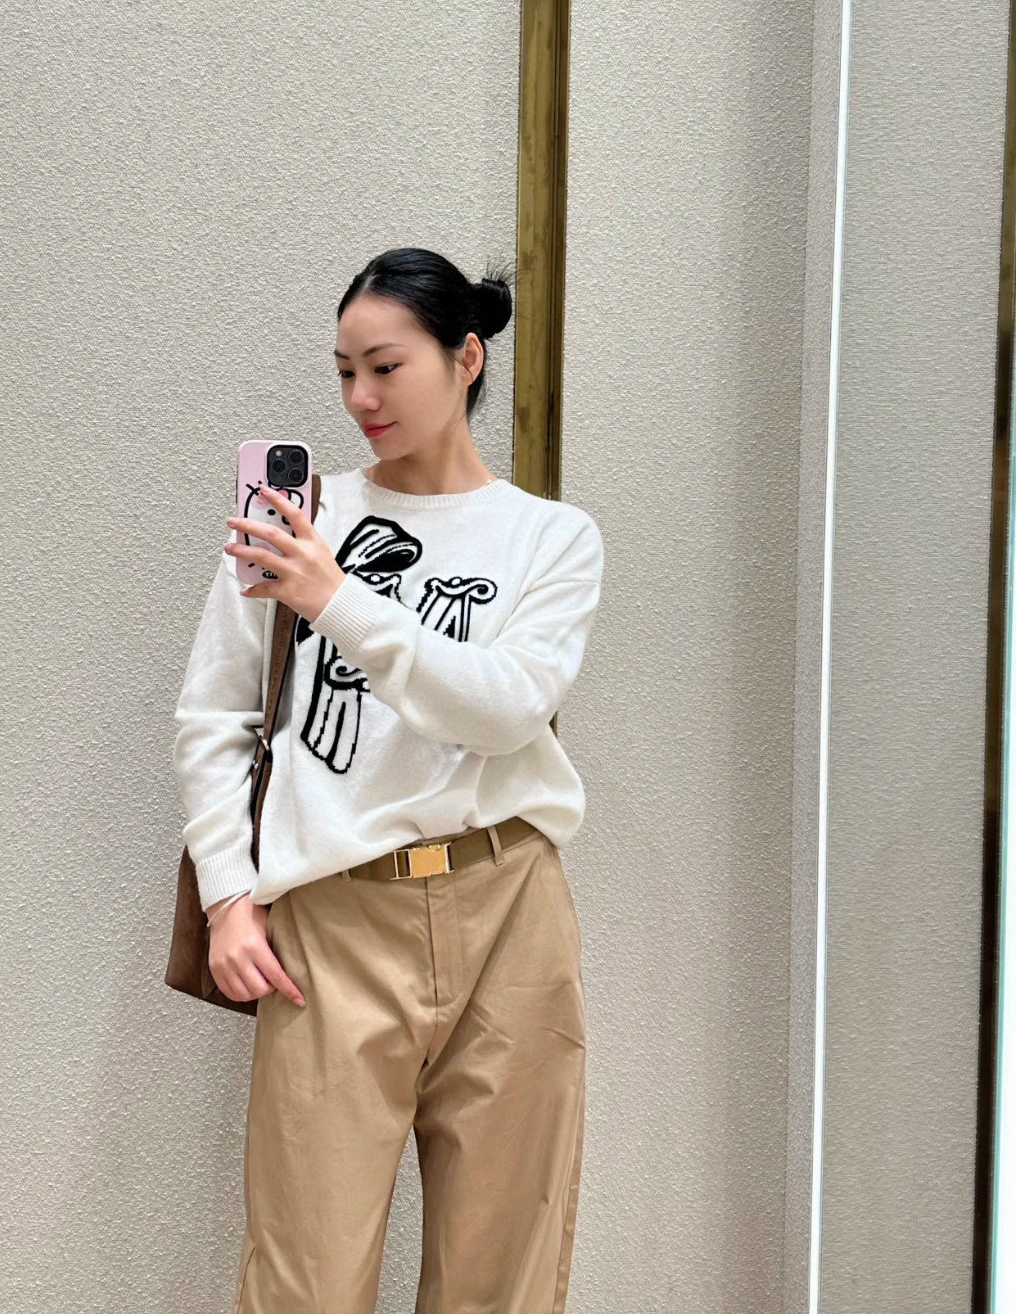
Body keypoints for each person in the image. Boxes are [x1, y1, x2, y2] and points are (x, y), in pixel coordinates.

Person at [172, 245, 604, 1314]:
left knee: (501, 1268)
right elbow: (215, 716)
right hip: (332, 917)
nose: (361, 398)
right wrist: (229, 896)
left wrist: (336, 600)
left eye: (385, 367)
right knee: (303, 1274)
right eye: (343, 372)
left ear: (466, 358)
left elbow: (505, 708)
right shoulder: (297, 518)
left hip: (507, 904)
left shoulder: (550, 538)